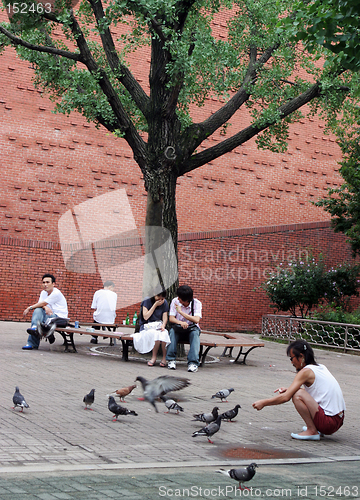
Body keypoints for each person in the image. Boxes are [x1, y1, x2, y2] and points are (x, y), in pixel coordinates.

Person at [252, 339, 345, 440]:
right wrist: (290, 389)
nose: (292, 362)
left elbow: (285, 398)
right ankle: (316, 428)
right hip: (338, 420)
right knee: (298, 391)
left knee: (297, 395)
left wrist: (264, 403)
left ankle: (312, 431)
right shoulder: (320, 367)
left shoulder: (305, 372)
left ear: (301, 356)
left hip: (328, 423)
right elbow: (317, 392)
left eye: (292, 358)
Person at [22, 273, 68, 350]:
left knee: (39, 320)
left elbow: (42, 303)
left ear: (53, 284)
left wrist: (29, 308)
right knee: (38, 311)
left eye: (47, 282)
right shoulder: (43, 292)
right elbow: (41, 305)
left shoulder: (56, 293)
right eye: (43, 282)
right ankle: (36, 329)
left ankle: (33, 341)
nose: (45, 284)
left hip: (60, 318)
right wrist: (45, 307)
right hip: (48, 316)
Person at [166, 285, 202, 373]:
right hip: (178, 328)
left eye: (180, 298)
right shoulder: (175, 301)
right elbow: (171, 318)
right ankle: (171, 360)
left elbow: (196, 320)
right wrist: (181, 323)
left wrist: (181, 312)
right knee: (172, 332)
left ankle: (193, 363)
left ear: (186, 300)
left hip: (192, 328)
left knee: (195, 334)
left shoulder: (197, 303)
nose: (178, 299)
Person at [132, 291, 170, 367]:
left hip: (158, 325)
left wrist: (163, 325)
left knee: (164, 334)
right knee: (155, 334)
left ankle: (164, 358)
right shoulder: (147, 300)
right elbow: (146, 316)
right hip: (147, 326)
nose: (160, 300)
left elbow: (165, 317)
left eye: (162, 298)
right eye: (158, 297)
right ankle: (154, 357)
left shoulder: (164, 303)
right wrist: (155, 305)